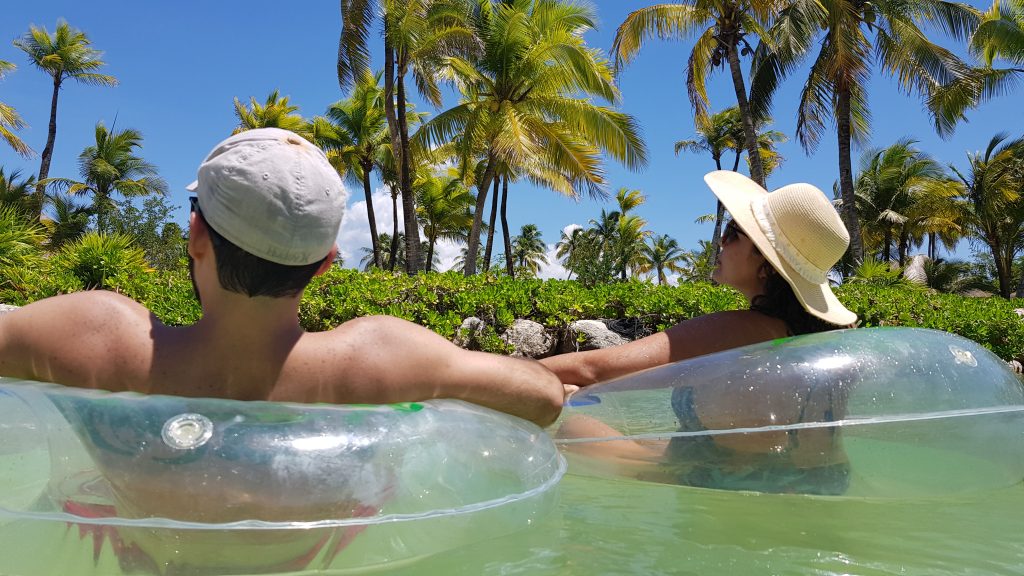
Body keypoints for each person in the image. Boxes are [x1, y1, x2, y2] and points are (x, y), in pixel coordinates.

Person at [0, 128, 564, 423]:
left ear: (197, 236)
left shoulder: (93, 337)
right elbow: (545, 397)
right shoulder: (373, 361)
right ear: (324, 263)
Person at [541, 170, 858, 494]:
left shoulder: (740, 330)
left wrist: (507, 373)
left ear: (766, 265)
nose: (721, 239)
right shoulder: (825, 336)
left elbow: (592, 369)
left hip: (741, 486)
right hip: (823, 481)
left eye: (734, 233)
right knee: (655, 439)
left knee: (573, 428)